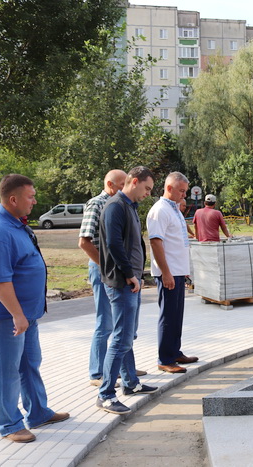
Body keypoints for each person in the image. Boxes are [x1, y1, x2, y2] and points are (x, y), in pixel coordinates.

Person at [0, 174, 69, 443]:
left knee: (29, 364)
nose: (35, 201)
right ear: (13, 199)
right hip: (4, 316)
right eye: (30, 196)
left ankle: (38, 412)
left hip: (23, 314)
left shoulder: (13, 223)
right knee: (6, 371)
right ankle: (9, 425)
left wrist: (24, 314)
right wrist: (17, 314)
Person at [96, 166, 158, 415]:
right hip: (122, 282)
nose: (148, 194)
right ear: (134, 181)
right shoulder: (115, 206)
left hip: (131, 282)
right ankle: (106, 394)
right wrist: (130, 275)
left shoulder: (129, 207)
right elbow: (113, 245)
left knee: (127, 336)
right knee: (121, 338)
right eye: (147, 188)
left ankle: (131, 383)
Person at [79, 169, 141, 388]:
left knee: (122, 325)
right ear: (110, 184)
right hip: (104, 269)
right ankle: (98, 373)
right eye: (121, 183)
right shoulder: (98, 204)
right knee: (105, 323)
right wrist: (106, 266)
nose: (125, 187)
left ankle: (125, 371)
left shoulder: (123, 204)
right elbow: (84, 242)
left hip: (115, 268)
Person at [147, 172, 199, 374]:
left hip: (177, 270)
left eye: (186, 191)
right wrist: (166, 272)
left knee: (176, 315)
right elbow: (155, 242)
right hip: (168, 272)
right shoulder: (160, 210)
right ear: (169, 188)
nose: (184, 195)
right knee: (168, 315)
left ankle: (174, 351)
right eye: (182, 191)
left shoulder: (174, 209)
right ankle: (165, 358)